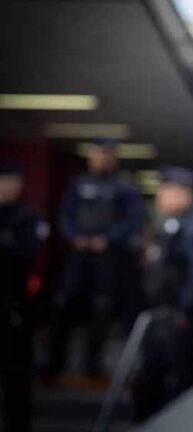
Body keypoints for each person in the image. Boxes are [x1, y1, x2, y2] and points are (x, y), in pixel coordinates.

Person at [45, 140, 146, 378]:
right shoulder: (80, 184)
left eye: (102, 155)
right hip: (80, 254)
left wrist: (108, 239)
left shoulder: (124, 188)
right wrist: (74, 236)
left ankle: (93, 363)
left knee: (101, 307)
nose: (97, 160)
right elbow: (66, 215)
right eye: (94, 155)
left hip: (109, 257)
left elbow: (134, 220)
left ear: (112, 157)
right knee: (64, 304)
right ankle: (55, 361)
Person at [133, 167, 193, 420]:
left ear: (184, 194)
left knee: (174, 381)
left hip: (178, 318)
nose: (161, 196)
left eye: (167, 190)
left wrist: (184, 309)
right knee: (151, 379)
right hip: (162, 315)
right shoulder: (169, 223)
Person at [0, 162, 48, 431]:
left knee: (17, 373)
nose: (8, 187)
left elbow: (27, 252)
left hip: (17, 305)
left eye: (13, 182)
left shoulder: (28, 216)